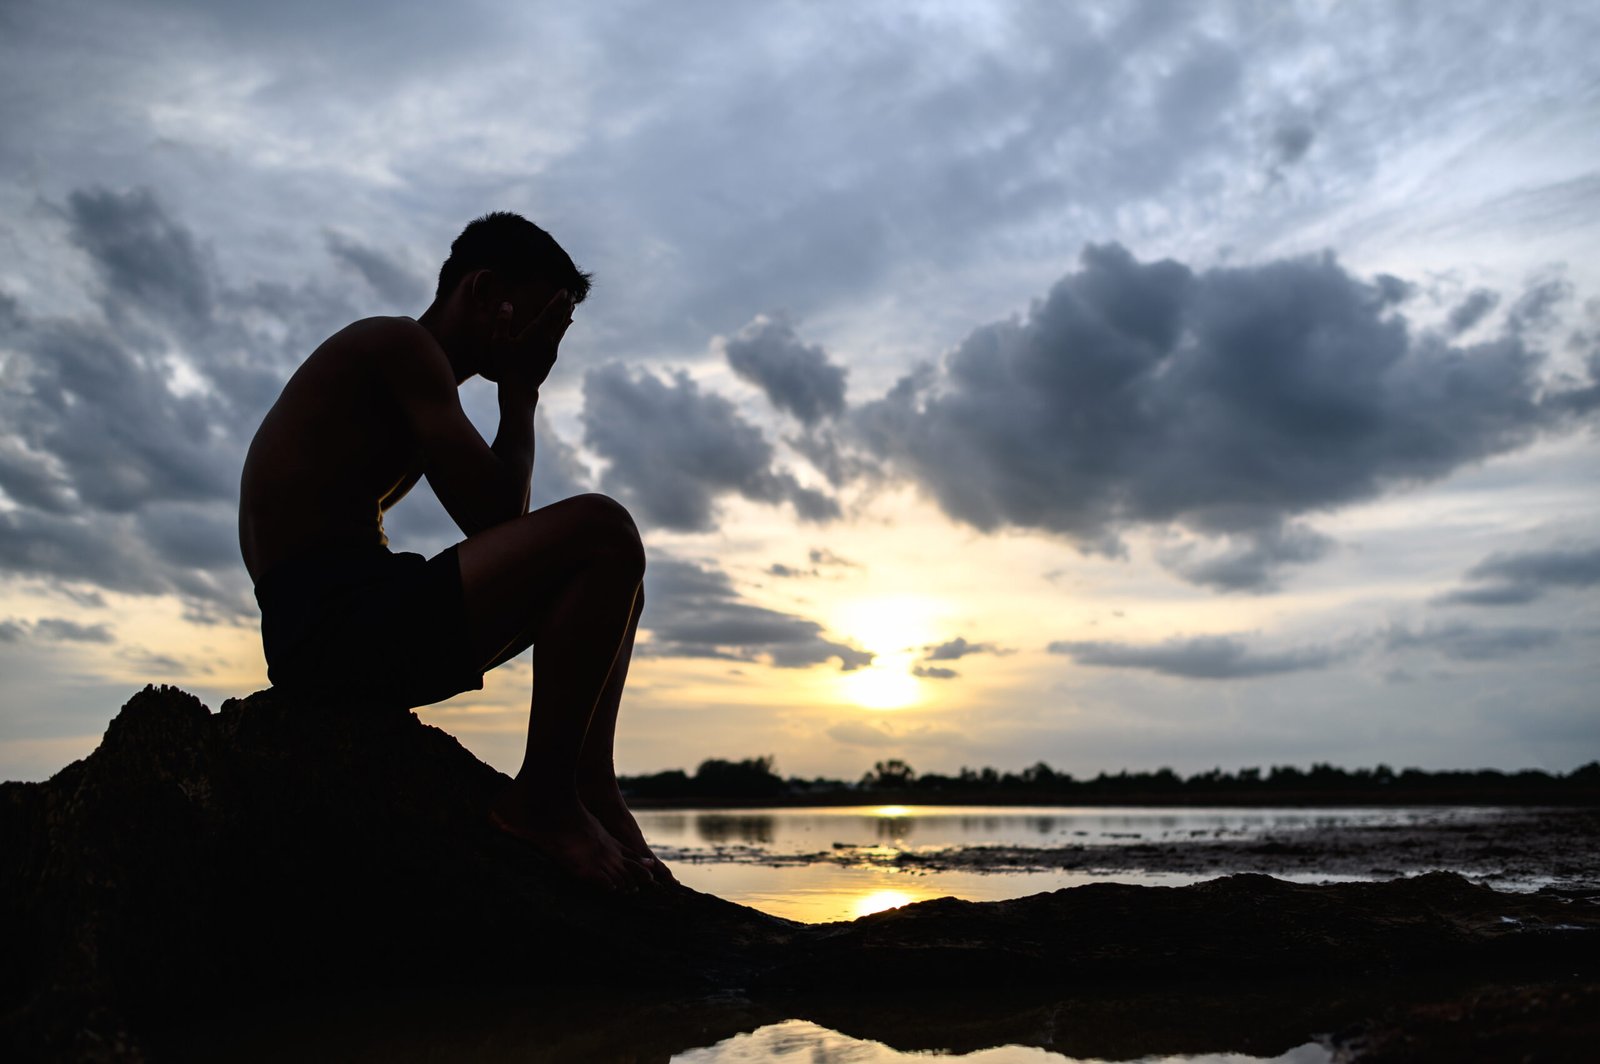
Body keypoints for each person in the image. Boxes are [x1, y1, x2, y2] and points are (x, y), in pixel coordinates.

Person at [238, 212, 667, 892]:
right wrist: (521, 392)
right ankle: (546, 802)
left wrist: (519, 390)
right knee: (604, 531)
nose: (546, 342)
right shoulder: (400, 345)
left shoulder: (422, 373)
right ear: (485, 288)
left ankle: (589, 786)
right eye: (539, 318)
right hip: (329, 625)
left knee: (620, 576)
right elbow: (496, 516)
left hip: (351, 611)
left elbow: (504, 520)